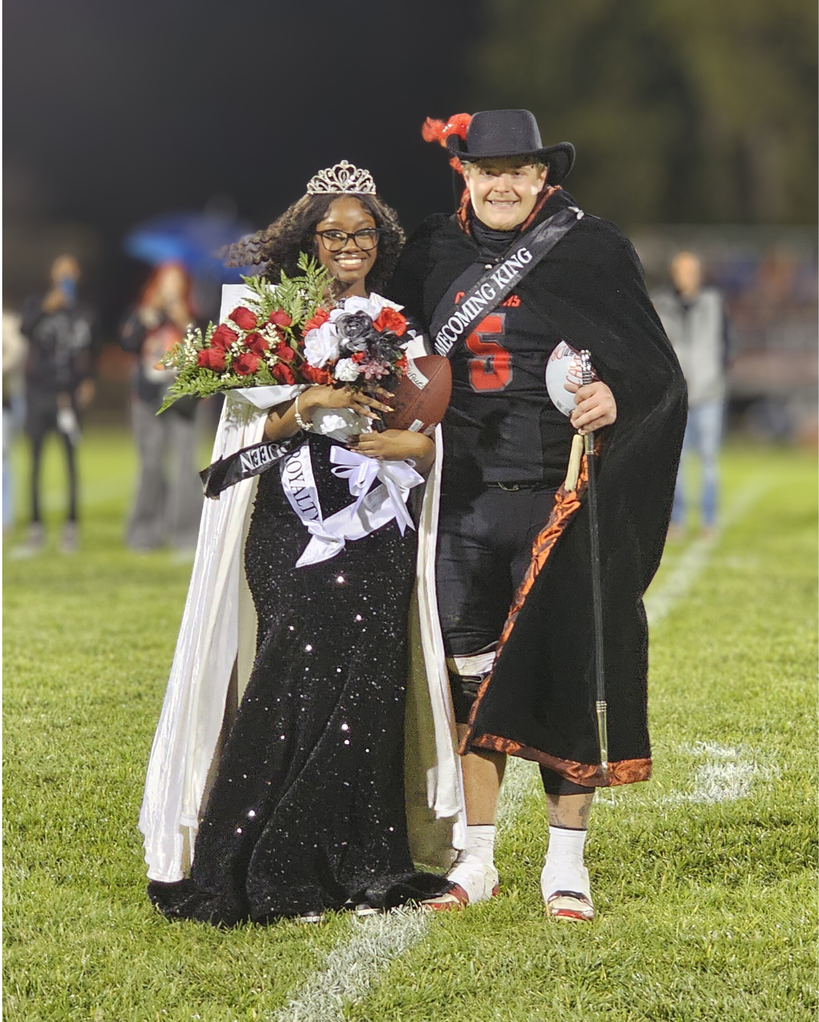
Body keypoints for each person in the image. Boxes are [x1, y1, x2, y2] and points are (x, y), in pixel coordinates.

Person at [139, 162, 454, 925]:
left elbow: (422, 435)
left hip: (376, 527)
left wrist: (417, 452)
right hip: (291, 522)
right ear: (306, 238)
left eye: (363, 232)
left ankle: (361, 863)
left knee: (372, 687)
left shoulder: (400, 323)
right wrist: (304, 405)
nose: (349, 244)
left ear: (381, 240)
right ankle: (267, 861)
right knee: (291, 678)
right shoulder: (267, 319)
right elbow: (247, 435)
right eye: (333, 232)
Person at [390, 109, 687, 919]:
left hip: (565, 500)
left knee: (569, 676)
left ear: (541, 175)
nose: (501, 182)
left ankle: (565, 867)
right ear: (463, 173)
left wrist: (615, 392)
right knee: (466, 683)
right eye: (487, 169)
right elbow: (376, 348)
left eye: (517, 168)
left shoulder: (590, 248)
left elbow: (656, 372)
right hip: (457, 503)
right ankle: (475, 859)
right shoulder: (426, 253)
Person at [119, 262, 203, 553]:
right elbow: (127, 343)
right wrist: (146, 317)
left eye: (177, 281)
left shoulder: (191, 314)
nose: (171, 287)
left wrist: (185, 322)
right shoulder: (145, 313)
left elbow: (207, 351)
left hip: (183, 398)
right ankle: (143, 534)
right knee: (151, 465)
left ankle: (186, 535)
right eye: (166, 281)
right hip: (148, 397)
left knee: (184, 467)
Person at [18, 254, 98, 554]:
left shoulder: (85, 312)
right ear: (52, 273)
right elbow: (24, 329)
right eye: (60, 269)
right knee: (35, 463)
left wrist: (89, 380)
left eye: (71, 270)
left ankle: (71, 527)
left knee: (70, 463)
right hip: (38, 394)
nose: (65, 275)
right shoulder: (36, 304)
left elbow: (94, 350)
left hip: (69, 396)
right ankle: (35, 528)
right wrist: (44, 308)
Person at [653, 251, 734, 539]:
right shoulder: (661, 303)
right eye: (681, 270)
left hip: (710, 391)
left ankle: (709, 520)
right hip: (679, 394)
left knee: (710, 460)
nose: (686, 276)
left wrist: (717, 373)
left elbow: (726, 342)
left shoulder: (714, 302)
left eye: (691, 270)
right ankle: (678, 519)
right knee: (678, 459)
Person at [3, 305, 28, 534]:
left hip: (7, 400)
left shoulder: (9, 323)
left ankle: (5, 518)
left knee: (3, 458)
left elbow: (16, 354)